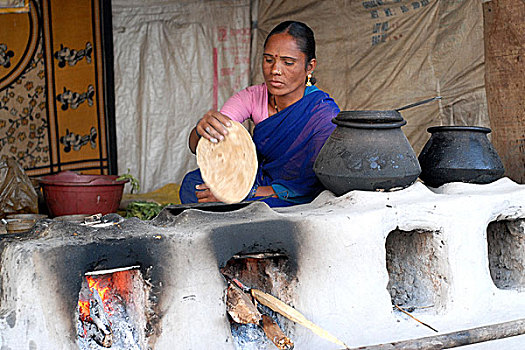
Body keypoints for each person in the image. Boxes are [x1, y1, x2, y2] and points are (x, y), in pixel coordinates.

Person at [179, 21, 340, 207]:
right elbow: (198, 146)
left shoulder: (321, 112)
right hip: (258, 180)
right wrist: (203, 129)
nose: (275, 71)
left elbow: (316, 183)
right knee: (195, 184)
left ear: (309, 67)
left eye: (288, 63)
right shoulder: (252, 96)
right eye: (269, 60)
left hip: (295, 193)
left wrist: (245, 194)